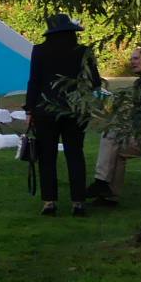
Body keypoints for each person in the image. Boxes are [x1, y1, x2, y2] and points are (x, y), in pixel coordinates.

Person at [26, 13, 103, 217]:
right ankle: (78, 202)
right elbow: (95, 82)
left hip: (46, 109)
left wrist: (29, 109)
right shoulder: (84, 52)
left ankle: (49, 202)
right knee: (75, 154)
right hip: (75, 110)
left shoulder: (39, 50)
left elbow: (34, 81)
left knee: (47, 156)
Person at [88, 48, 141, 205]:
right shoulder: (139, 83)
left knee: (113, 137)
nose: (132, 62)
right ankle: (108, 194)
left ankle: (101, 182)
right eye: (131, 59)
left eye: (136, 58)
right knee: (114, 141)